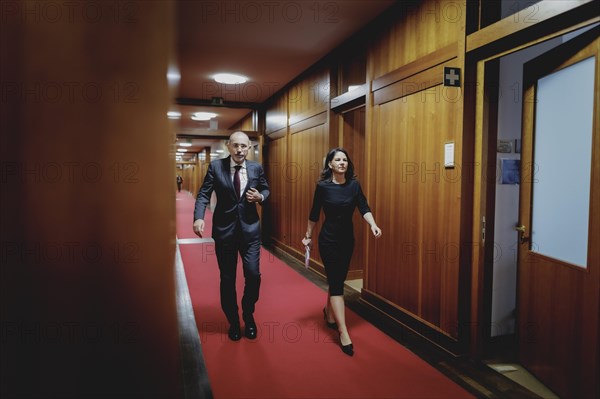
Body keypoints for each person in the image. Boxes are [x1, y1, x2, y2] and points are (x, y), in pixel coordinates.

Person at [302, 148, 382, 356]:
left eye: (344, 160)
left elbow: (364, 207)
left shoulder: (354, 185)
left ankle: (329, 315)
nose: (341, 162)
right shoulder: (322, 187)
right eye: (337, 159)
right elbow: (314, 213)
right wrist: (308, 236)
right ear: (330, 164)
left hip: (348, 240)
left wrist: (373, 224)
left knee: (337, 278)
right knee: (337, 285)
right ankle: (343, 331)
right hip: (328, 240)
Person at [193, 132, 270, 341]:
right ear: (229, 146)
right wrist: (199, 217)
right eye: (236, 146)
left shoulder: (256, 168)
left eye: (244, 146)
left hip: (250, 231)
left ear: (248, 148)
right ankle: (234, 321)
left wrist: (261, 196)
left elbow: (265, 188)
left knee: (253, 275)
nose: (240, 150)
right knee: (227, 279)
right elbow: (203, 194)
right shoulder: (216, 167)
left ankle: (248, 313)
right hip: (224, 231)